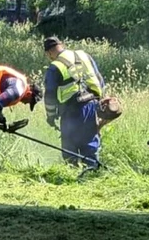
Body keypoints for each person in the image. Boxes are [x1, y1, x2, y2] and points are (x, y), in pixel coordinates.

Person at [43, 36, 105, 168]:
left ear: (49, 53)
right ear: (62, 45)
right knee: (90, 142)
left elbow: (50, 95)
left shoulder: (54, 67)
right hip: (92, 103)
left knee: (69, 145)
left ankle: (72, 172)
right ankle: (92, 171)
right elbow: (99, 78)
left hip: (71, 109)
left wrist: (51, 115)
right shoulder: (84, 55)